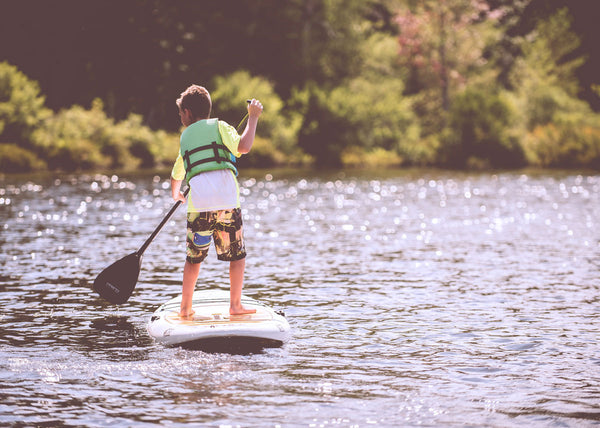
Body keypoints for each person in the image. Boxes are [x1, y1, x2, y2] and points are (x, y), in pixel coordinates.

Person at [170, 84, 263, 318]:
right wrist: (253, 119)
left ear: (188, 113)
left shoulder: (185, 137)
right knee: (237, 256)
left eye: (181, 112)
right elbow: (244, 146)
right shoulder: (220, 127)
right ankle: (235, 306)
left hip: (199, 206)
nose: (180, 116)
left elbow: (177, 173)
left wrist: (176, 194)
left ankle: (185, 308)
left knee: (194, 259)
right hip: (227, 203)